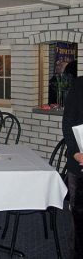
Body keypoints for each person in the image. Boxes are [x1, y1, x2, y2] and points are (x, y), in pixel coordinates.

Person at [62, 76, 83, 259]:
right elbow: (68, 121)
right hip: (80, 161)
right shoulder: (80, 85)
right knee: (79, 216)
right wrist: (76, 153)